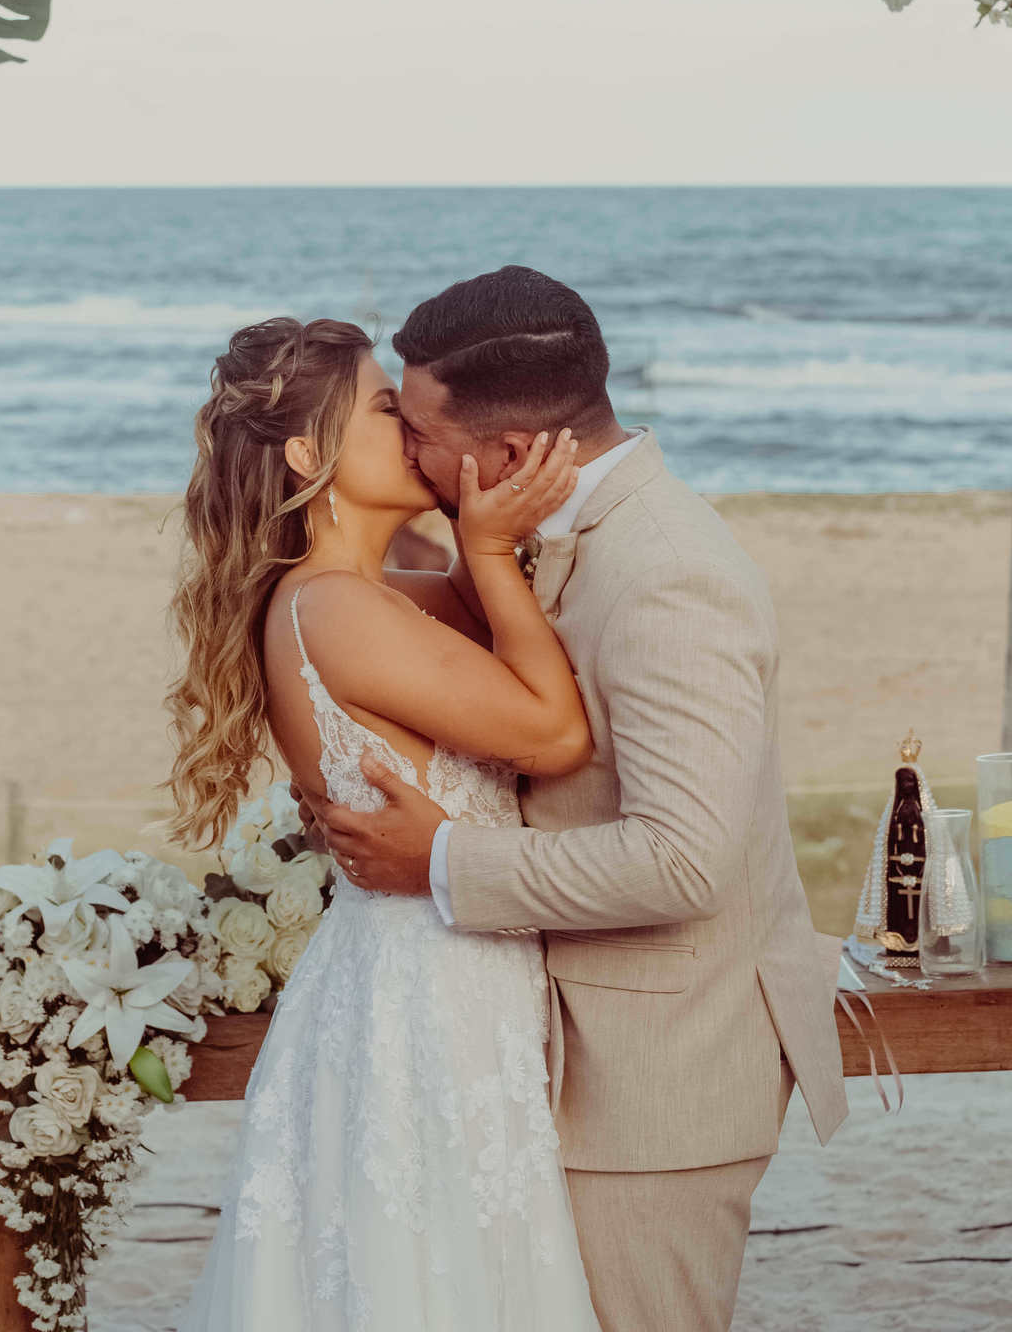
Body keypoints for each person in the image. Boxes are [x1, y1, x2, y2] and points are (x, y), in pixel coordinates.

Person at [306, 265, 849, 1332]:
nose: (407, 451)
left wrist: (441, 862)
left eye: (415, 430)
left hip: (659, 1086)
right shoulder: (528, 531)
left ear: (507, 456)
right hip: (545, 1062)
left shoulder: (668, 574)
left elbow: (683, 859)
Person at [165, 315, 604, 1332]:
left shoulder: (359, 593)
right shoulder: (337, 608)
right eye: (385, 409)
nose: (411, 428)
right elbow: (553, 732)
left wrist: (470, 534)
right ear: (311, 454)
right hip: (427, 983)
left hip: (417, 968)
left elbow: (467, 616)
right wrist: (491, 544)